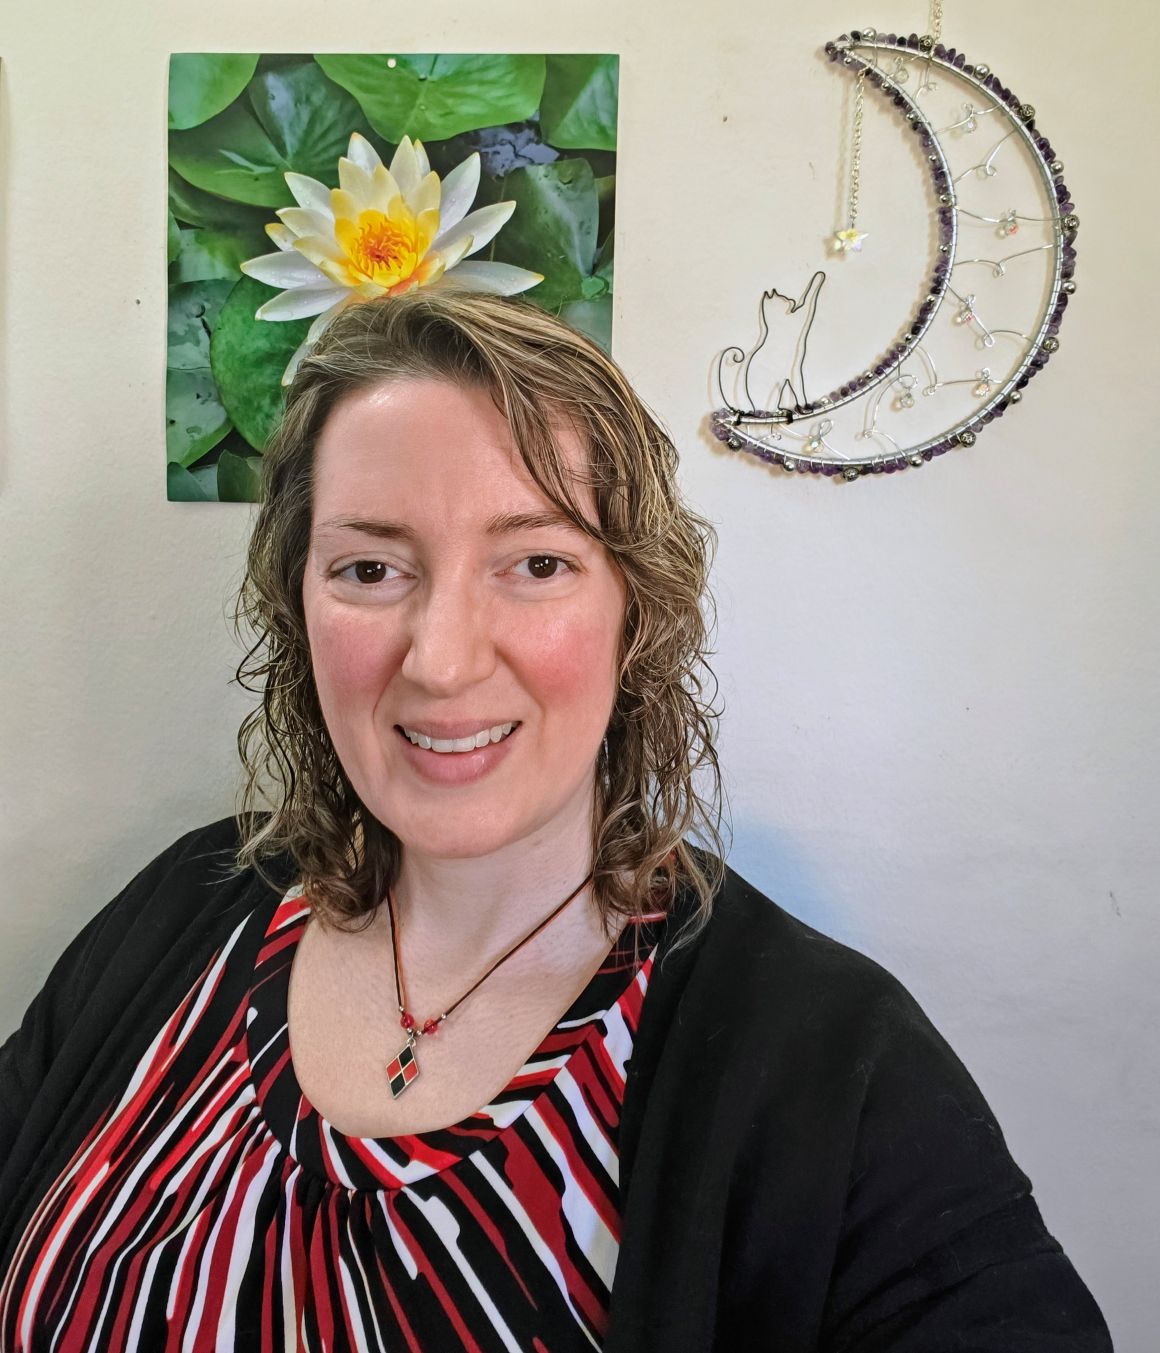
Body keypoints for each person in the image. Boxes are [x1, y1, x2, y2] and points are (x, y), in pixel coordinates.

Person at [0, 291, 1111, 1351]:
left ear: (635, 609)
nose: (439, 661)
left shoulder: (830, 1060)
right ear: (299, 602)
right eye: (370, 568)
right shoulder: (191, 903)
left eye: (535, 564)